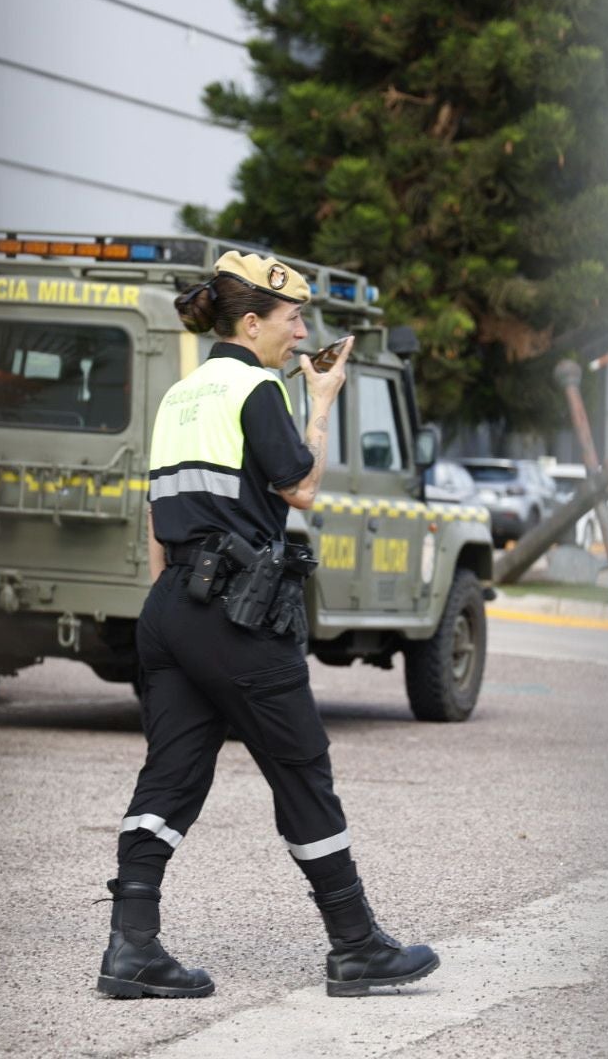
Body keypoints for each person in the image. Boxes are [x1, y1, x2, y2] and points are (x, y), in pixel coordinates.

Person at [97, 251, 439, 999]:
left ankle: (131, 947)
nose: (302, 331)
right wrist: (321, 399)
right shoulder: (256, 390)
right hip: (234, 615)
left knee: (172, 777)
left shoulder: (181, 395)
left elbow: (159, 518)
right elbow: (304, 488)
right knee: (301, 767)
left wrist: (175, 618)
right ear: (251, 323)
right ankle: (355, 945)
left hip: (173, 608)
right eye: (293, 319)